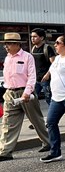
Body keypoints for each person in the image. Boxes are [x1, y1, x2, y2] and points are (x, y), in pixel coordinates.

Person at [0, 33, 51, 162]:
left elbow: (32, 76)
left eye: (9, 43)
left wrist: (28, 92)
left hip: (26, 93)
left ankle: (48, 142)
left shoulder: (27, 57)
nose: (6, 46)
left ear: (17, 44)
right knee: (8, 123)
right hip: (10, 93)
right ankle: (5, 151)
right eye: (5, 44)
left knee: (37, 121)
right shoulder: (7, 58)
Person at [30, 28, 56, 105]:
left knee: (49, 99)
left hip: (46, 79)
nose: (32, 39)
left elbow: (54, 64)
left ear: (41, 38)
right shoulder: (33, 49)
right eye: (32, 37)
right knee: (32, 98)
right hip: (36, 79)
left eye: (35, 36)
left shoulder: (47, 48)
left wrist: (48, 74)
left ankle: (53, 115)